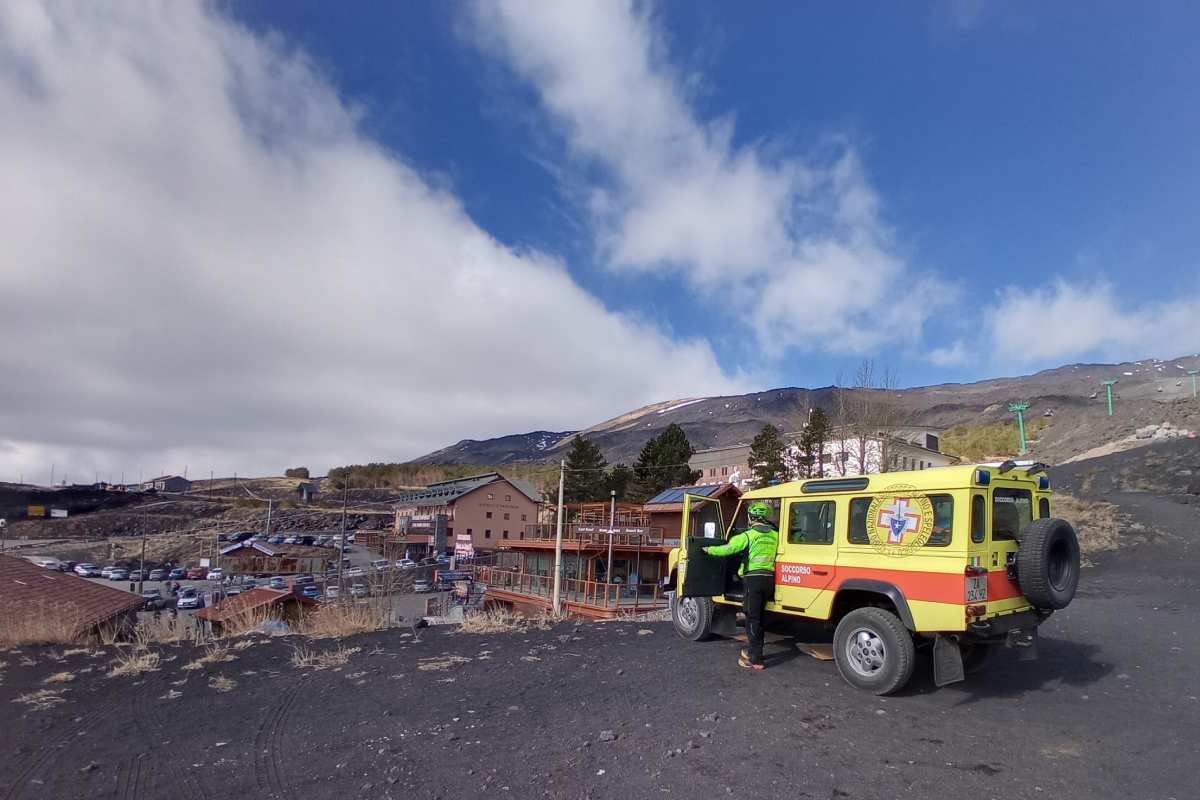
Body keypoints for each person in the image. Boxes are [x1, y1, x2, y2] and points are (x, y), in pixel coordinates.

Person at [703, 500, 779, 670]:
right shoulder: (775, 535)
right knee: (760, 617)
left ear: (752, 517)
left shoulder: (748, 536)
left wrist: (709, 550)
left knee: (752, 619)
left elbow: (728, 549)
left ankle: (755, 659)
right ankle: (754, 651)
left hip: (753, 580)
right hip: (769, 580)